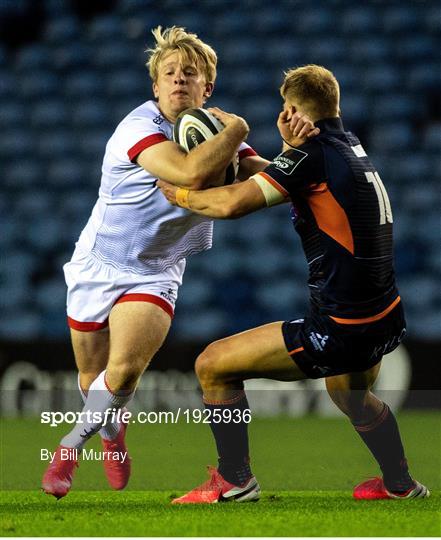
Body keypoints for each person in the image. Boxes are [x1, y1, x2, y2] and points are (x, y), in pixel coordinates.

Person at [158, 64, 430, 503]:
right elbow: (295, 179)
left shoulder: (311, 157)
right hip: (384, 317)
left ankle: (234, 480)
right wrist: (284, 148)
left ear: (292, 108)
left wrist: (180, 195)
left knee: (213, 366)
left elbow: (230, 205)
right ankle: (401, 485)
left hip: (342, 326)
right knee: (352, 396)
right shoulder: (347, 145)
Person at [41, 25, 280, 499]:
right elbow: (190, 172)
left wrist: (299, 172)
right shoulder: (139, 127)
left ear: (206, 87)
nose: (177, 80)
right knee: (94, 380)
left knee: (125, 370)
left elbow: (268, 176)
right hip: (98, 261)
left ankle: (69, 446)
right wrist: (238, 128)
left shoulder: (212, 131)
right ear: (155, 86)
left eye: (188, 73)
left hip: (156, 270)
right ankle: (112, 436)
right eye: (168, 73)